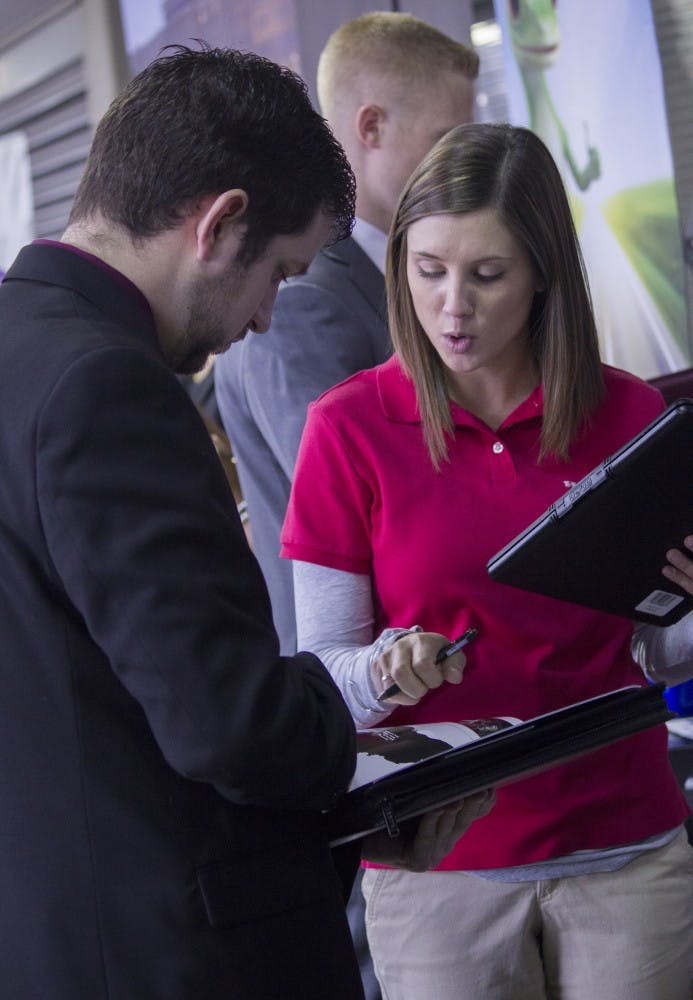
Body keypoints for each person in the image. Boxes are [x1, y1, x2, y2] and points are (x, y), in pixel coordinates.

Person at [0, 48, 495, 1000]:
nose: (268, 318)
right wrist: (365, 755)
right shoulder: (108, 386)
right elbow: (222, 723)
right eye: (279, 271)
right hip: (182, 948)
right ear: (220, 224)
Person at [281, 122, 693, 1000]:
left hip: (624, 844)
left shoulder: (628, 415)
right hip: (438, 863)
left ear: (543, 272)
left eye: (486, 274)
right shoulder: (346, 428)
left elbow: (658, 654)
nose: (452, 307)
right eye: (428, 271)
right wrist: (386, 669)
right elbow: (322, 667)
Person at [215, 11, 479, 655]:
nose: (466, 162)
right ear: (371, 128)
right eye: (448, 137)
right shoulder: (305, 302)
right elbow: (360, 510)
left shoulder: (385, 274)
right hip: (370, 679)